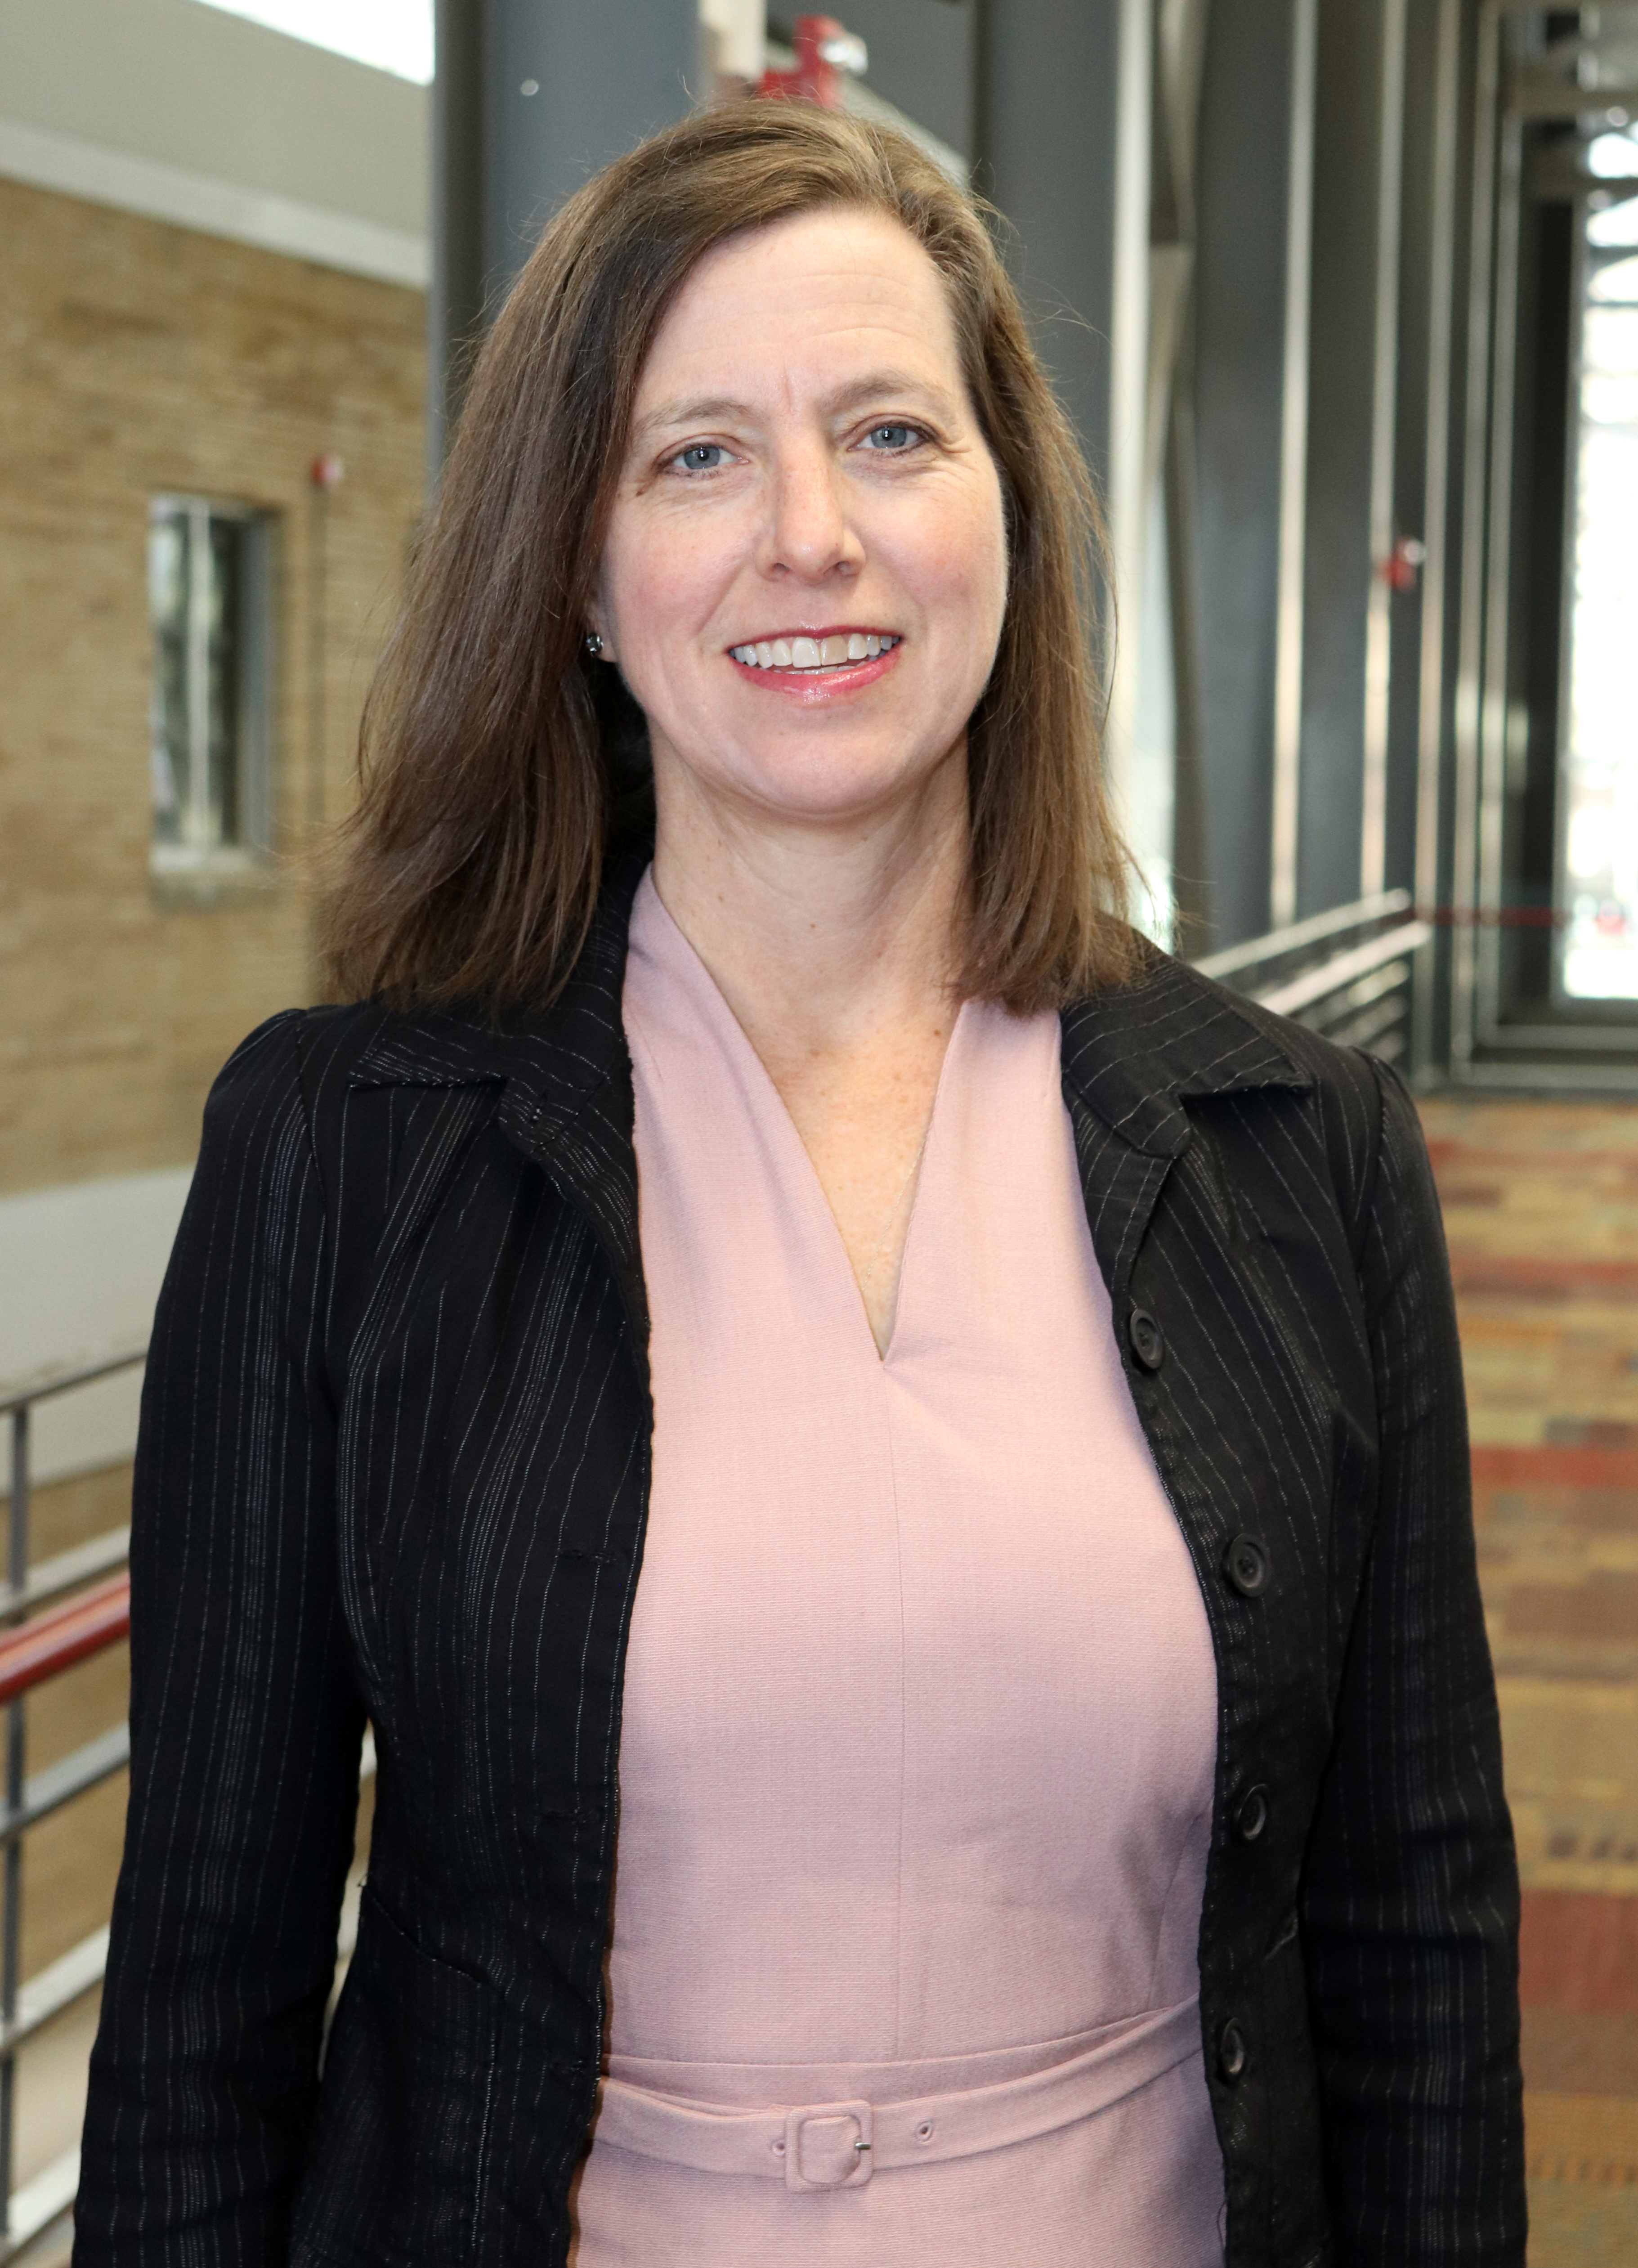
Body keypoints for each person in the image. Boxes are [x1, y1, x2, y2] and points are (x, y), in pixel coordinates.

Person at [76, 102, 1524, 2268]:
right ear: (574, 567)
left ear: (1008, 519)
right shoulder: (342, 1158)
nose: (811, 535)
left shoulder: (1296, 1152)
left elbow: (1414, 1946)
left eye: (887, 433)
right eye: (697, 455)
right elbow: (203, 2003)